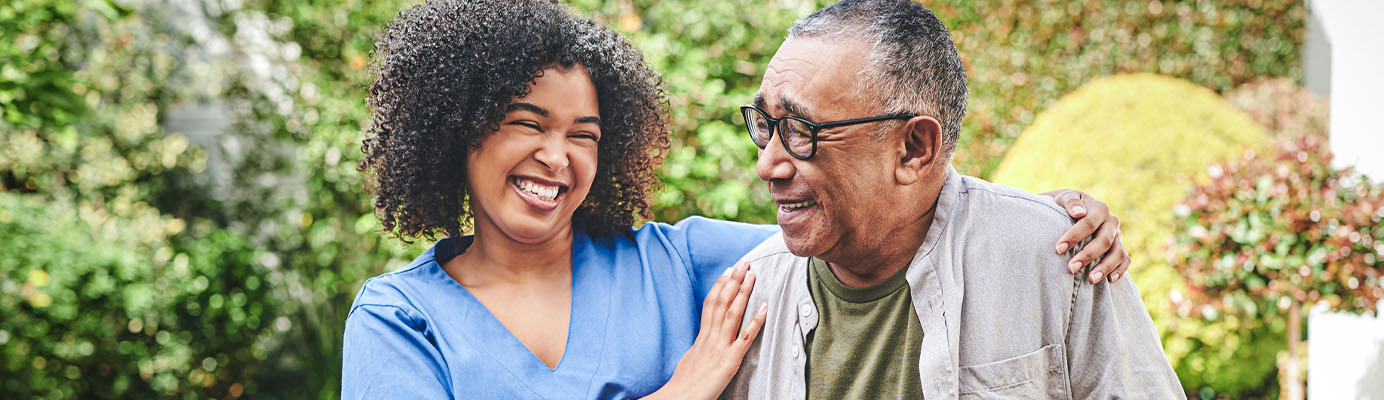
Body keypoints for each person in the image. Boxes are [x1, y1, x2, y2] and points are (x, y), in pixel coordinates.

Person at [341, 1, 1131, 399]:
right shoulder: (398, 319)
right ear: (459, 132)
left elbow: (870, 216)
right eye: (526, 124)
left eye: (584, 133)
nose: (558, 156)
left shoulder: (683, 261)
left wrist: (1050, 219)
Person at [722, 0, 1185, 399]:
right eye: (765, 123)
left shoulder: (1061, 257)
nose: (768, 165)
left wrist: (1039, 223)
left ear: (913, 149)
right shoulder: (749, 296)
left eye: (802, 131)